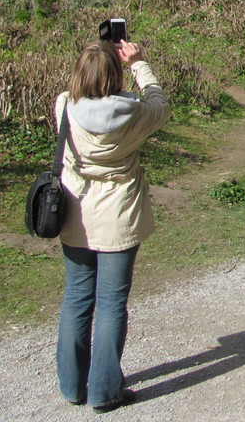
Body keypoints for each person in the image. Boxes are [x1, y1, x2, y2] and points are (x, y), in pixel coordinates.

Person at [55, 38, 171, 412]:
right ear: (116, 75)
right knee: (111, 303)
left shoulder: (63, 106)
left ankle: (72, 386)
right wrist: (138, 63)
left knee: (76, 297)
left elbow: (80, 97)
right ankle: (105, 392)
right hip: (119, 214)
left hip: (75, 211)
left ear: (79, 74)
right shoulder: (134, 113)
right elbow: (160, 102)